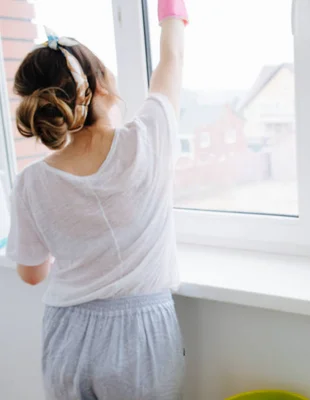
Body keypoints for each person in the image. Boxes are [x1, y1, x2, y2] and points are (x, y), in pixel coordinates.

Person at [6, 1, 188, 398]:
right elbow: (170, 61)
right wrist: (172, 12)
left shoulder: (32, 182)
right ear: (101, 86)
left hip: (67, 333)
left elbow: (32, 273)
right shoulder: (148, 139)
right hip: (141, 335)